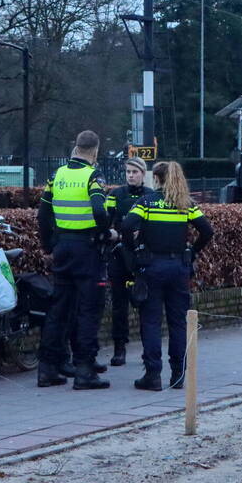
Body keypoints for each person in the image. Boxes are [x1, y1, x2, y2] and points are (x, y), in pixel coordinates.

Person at [121, 161, 214, 391]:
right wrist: (192, 251)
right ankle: (178, 374)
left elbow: (126, 226)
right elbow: (207, 231)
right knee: (178, 322)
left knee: (151, 321)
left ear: (157, 179)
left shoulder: (147, 202)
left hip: (152, 267)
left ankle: (152, 375)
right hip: (178, 268)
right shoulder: (185, 204)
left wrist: (135, 250)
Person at [36, 130, 110, 390]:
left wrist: (49, 245)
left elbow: (42, 214)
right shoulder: (93, 176)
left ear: (76, 147)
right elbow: (100, 209)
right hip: (87, 249)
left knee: (58, 309)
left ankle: (47, 369)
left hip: (62, 248)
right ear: (95, 151)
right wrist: (104, 233)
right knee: (89, 310)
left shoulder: (57, 176)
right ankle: (85, 371)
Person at [104, 156, 154, 367]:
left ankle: (147, 349)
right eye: (128, 172)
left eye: (135, 172)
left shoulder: (151, 196)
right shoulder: (116, 194)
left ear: (143, 174)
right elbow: (105, 221)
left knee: (146, 303)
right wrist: (112, 233)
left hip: (142, 255)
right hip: (119, 253)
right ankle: (119, 348)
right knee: (119, 304)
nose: (131, 176)